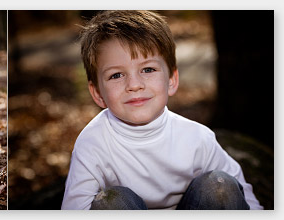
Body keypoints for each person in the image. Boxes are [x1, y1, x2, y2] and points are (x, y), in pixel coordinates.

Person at [62, 10, 261, 210]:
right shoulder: (92, 143)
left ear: (172, 80)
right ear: (97, 93)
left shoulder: (197, 138)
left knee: (219, 185)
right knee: (111, 201)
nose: (134, 84)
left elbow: (245, 199)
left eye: (148, 70)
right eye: (116, 75)